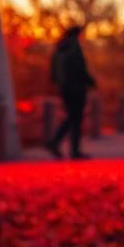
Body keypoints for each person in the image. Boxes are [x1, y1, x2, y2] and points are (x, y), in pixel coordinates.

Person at [46, 25, 96, 159]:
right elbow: (79, 68)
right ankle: (70, 149)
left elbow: (53, 71)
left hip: (64, 88)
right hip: (76, 88)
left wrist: (57, 85)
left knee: (72, 117)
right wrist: (90, 81)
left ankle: (57, 143)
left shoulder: (60, 48)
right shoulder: (74, 47)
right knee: (76, 118)